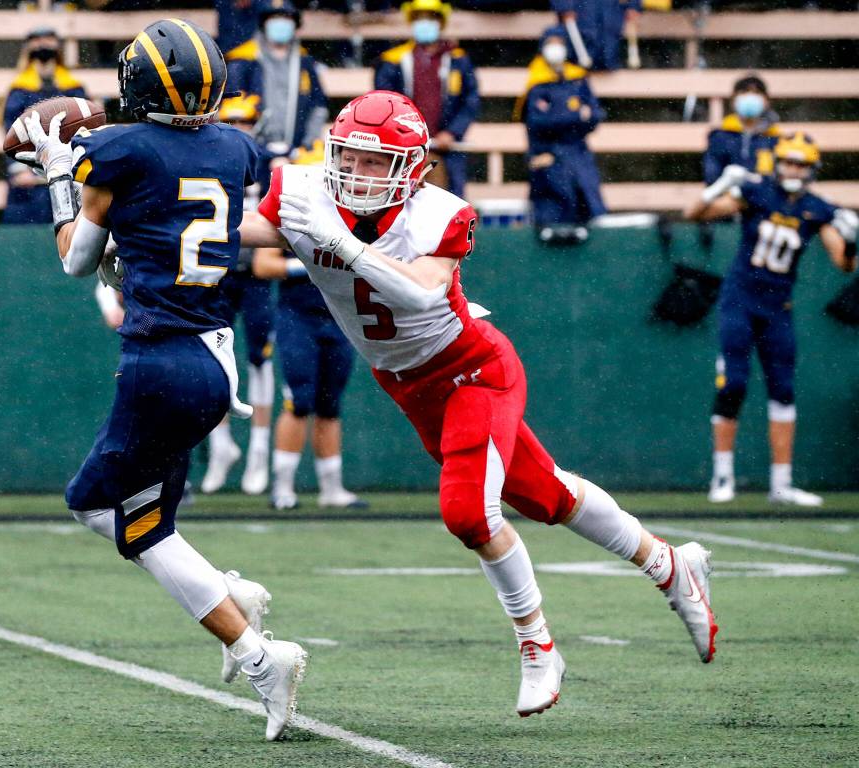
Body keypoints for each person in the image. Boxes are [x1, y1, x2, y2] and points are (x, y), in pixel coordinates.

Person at [239, 90, 719, 718]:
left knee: (468, 512)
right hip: (406, 382)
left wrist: (343, 243)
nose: (355, 174)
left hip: (473, 369)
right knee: (547, 496)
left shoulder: (441, 212)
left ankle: (538, 644)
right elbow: (243, 231)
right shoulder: (304, 189)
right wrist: (155, 237)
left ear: (412, 169)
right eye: (349, 158)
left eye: (374, 162)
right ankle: (669, 564)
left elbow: (420, 297)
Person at [18, 18, 306, 740]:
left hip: (161, 362)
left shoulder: (118, 148)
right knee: (141, 519)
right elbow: (166, 214)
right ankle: (233, 598)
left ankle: (256, 649)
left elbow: (76, 260)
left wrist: (60, 175)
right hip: (211, 354)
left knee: (111, 514)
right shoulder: (238, 146)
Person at [685, 133, 858, 507]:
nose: (793, 169)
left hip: (778, 309)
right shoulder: (757, 192)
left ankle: (782, 484)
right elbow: (693, 215)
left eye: (801, 163)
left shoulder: (816, 208)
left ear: (811, 169)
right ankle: (723, 476)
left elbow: (844, 264)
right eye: (788, 161)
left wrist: (853, 239)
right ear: (778, 162)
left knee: (783, 391)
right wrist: (717, 187)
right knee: (733, 384)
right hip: (741, 301)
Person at [252, 142, 366, 511]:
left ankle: (331, 488)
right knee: (299, 399)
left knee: (330, 403)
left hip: (338, 316)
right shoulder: (289, 213)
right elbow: (263, 265)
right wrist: (311, 265)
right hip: (297, 316)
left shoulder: (355, 214)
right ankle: (283, 486)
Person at [202, 95, 278, 496]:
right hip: (216, 273)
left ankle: (259, 453)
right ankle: (221, 447)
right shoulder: (208, 159)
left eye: (245, 122)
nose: (238, 130)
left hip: (256, 276)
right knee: (214, 357)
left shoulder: (268, 166)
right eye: (231, 122)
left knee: (259, 359)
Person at [374, 0, 479, 198]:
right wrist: (406, 134)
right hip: (405, 148)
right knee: (402, 201)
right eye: (419, 18)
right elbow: (385, 103)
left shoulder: (458, 59)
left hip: (449, 148)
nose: (424, 23)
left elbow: (470, 100)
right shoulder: (393, 60)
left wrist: (452, 132)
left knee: (451, 203)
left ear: (440, 22)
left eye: (430, 18)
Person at [518, 26, 606, 242]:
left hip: (578, 155)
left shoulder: (577, 78)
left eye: (559, 43)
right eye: (550, 43)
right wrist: (576, 116)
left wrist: (565, 117)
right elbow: (538, 122)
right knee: (552, 218)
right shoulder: (536, 82)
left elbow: (596, 115)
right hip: (548, 155)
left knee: (590, 213)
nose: (555, 49)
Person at [0, 28, 88, 225]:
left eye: (48, 39)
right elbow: (11, 129)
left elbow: (84, 128)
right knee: (26, 227)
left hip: (66, 166)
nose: (43, 45)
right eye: (37, 40)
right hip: (29, 172)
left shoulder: (73, 87)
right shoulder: (19, 89)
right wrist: (19, 169)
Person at [226, 0, 329, 169]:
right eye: (275, 18)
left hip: (296, 154)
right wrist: (266, 152)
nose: (281, 24)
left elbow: (318, 106)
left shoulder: (305, 62)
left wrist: (304, 146)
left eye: (286, 18)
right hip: (252, 154)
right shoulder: (243, 61)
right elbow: (232, 113)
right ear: (264, 24)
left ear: (295, 26)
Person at [703, 74, 781, 187]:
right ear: (733, 100)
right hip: (725, 198)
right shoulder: (720, 137)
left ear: (767, 101)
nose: (750, 97)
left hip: (762, 200)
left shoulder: (775, 139)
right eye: (744, 92)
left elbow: (775, 180)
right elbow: (711, 176)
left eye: (757, 93)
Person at [550, 0, 642, 72]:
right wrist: (563, 6)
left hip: (610, 9)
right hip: (580, 8)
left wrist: (634, 5)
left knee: (609, 44)